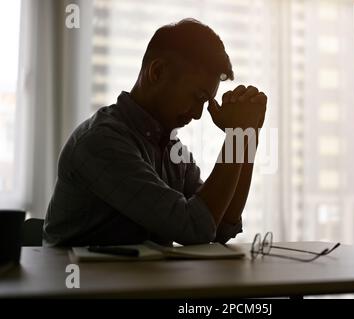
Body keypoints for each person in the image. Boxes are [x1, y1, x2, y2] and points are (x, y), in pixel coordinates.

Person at [43, 18, 267, 247]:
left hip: (136, 282)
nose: (199, 114)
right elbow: (195, 227)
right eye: (198, 97)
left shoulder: (171, 147)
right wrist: (237, 135)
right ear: (157, 72)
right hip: (79, 281)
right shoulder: (101, 141)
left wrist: (248, 134)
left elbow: (220, 226)